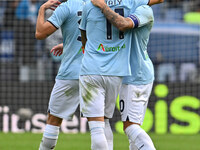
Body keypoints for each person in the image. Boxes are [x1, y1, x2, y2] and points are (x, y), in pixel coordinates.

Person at [79, 0, 162, 149]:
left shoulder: (143, 10)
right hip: (119, 72)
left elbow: (122, 24)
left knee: (130, 127)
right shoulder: (131, 3)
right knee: (111, 124)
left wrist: (103, 6)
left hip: (137, 74)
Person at [35, 0, 85, 149]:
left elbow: (40, 33)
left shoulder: (66, 7)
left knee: (53, 120)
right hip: (94, 72)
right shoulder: (97, 5)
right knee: (99, 122)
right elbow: (100, 37)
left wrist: (42, 9)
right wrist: (68, 44)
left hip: (70, 73)